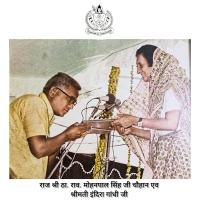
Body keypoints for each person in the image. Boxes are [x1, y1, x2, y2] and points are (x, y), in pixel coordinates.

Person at [111, 45, 191, 179]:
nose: (138, 71)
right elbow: (160, 133)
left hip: (177, 157)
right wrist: (132, 130)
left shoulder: (171, 86)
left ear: (156, 64)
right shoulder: (161, 89)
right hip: (166, 155)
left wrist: (135, 120)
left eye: (140, 65)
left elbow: (171, 124)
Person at [9, 72, 91, 179]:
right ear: (53, 91)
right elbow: (39, 149)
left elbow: (42, 158)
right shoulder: (35, 102)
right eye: (70, 99)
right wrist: (66, 135)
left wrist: (64, 139)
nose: (71, 106)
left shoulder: (45, 114)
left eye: (73, 103)